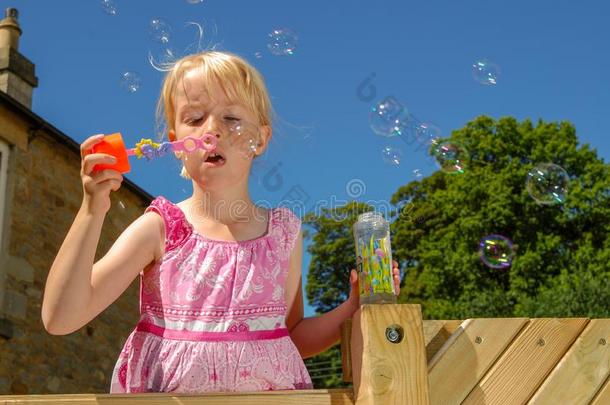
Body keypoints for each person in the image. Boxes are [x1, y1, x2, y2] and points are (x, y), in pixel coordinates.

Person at [41, 51, 401, 393]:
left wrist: (351, 308)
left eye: (231, 118)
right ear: (174, 142)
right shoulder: (162, 227)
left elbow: (289, 337)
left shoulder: (282, 235)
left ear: (260, 138)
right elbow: (61, 318)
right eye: (195, 119)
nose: (212, 130)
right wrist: (92, 209)